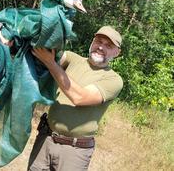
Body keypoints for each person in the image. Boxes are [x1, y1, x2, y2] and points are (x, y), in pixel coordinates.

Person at [28, 26, 123, 171]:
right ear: (92, 42)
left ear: (117, 53)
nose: (101, 47)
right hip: (45, 139)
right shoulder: (72, 59)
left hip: (74, 151)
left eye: (108, 45)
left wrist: (51, 63)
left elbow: (80, 98)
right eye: (99, 41)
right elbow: (45, 52)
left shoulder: (113, 79)